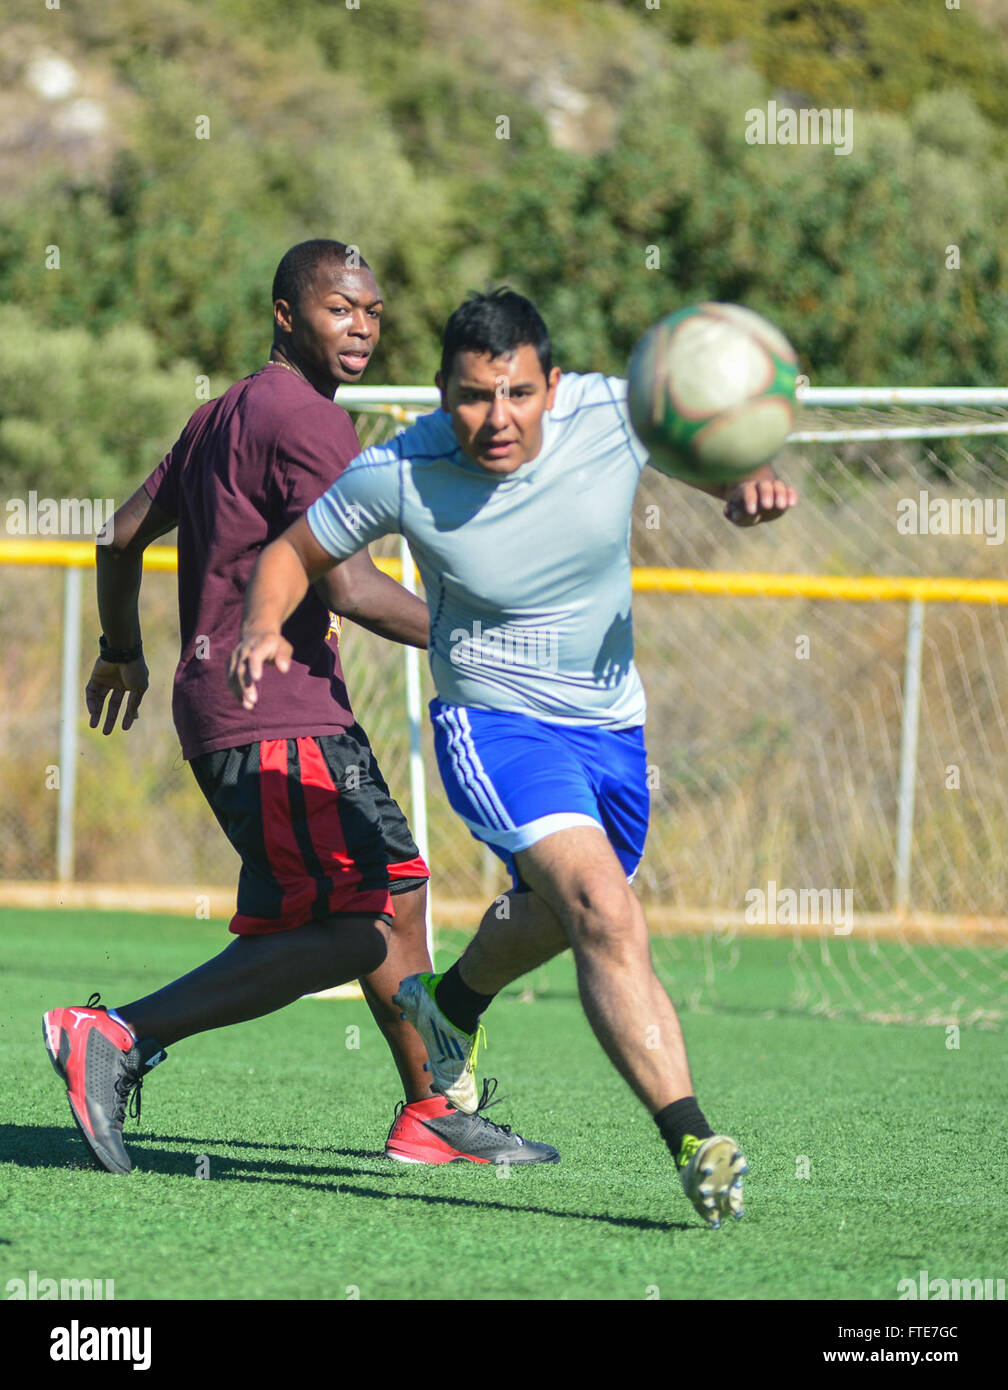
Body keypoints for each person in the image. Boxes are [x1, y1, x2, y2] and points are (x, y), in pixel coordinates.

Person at [228, 287, 798, 1227]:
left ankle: (447, 1003)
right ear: (443, 391)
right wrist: (259, 627)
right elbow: (291, 551)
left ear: (553, 386)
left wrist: (740, 484)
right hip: (493, 724)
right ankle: (694, 1140)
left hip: (612, 725)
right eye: (472, 396)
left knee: (562, 910)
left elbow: (703, 445)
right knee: (603, 909)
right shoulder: (402, 468)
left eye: (519, 394)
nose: (497, 419)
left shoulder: (614, 409)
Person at [42, 247, 559, 1175]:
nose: (361, 325)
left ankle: (435, 1110)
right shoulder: (308, 419)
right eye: (338, 309)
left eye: (372, 310)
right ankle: (117, 1034)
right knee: (351, 928)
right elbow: (355, 589)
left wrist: (123, 648)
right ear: (286, 315)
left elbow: (118, 537)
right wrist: (485, 640)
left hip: (274, 713)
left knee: (397, 890)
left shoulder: (221, 415)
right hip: (274, 716)